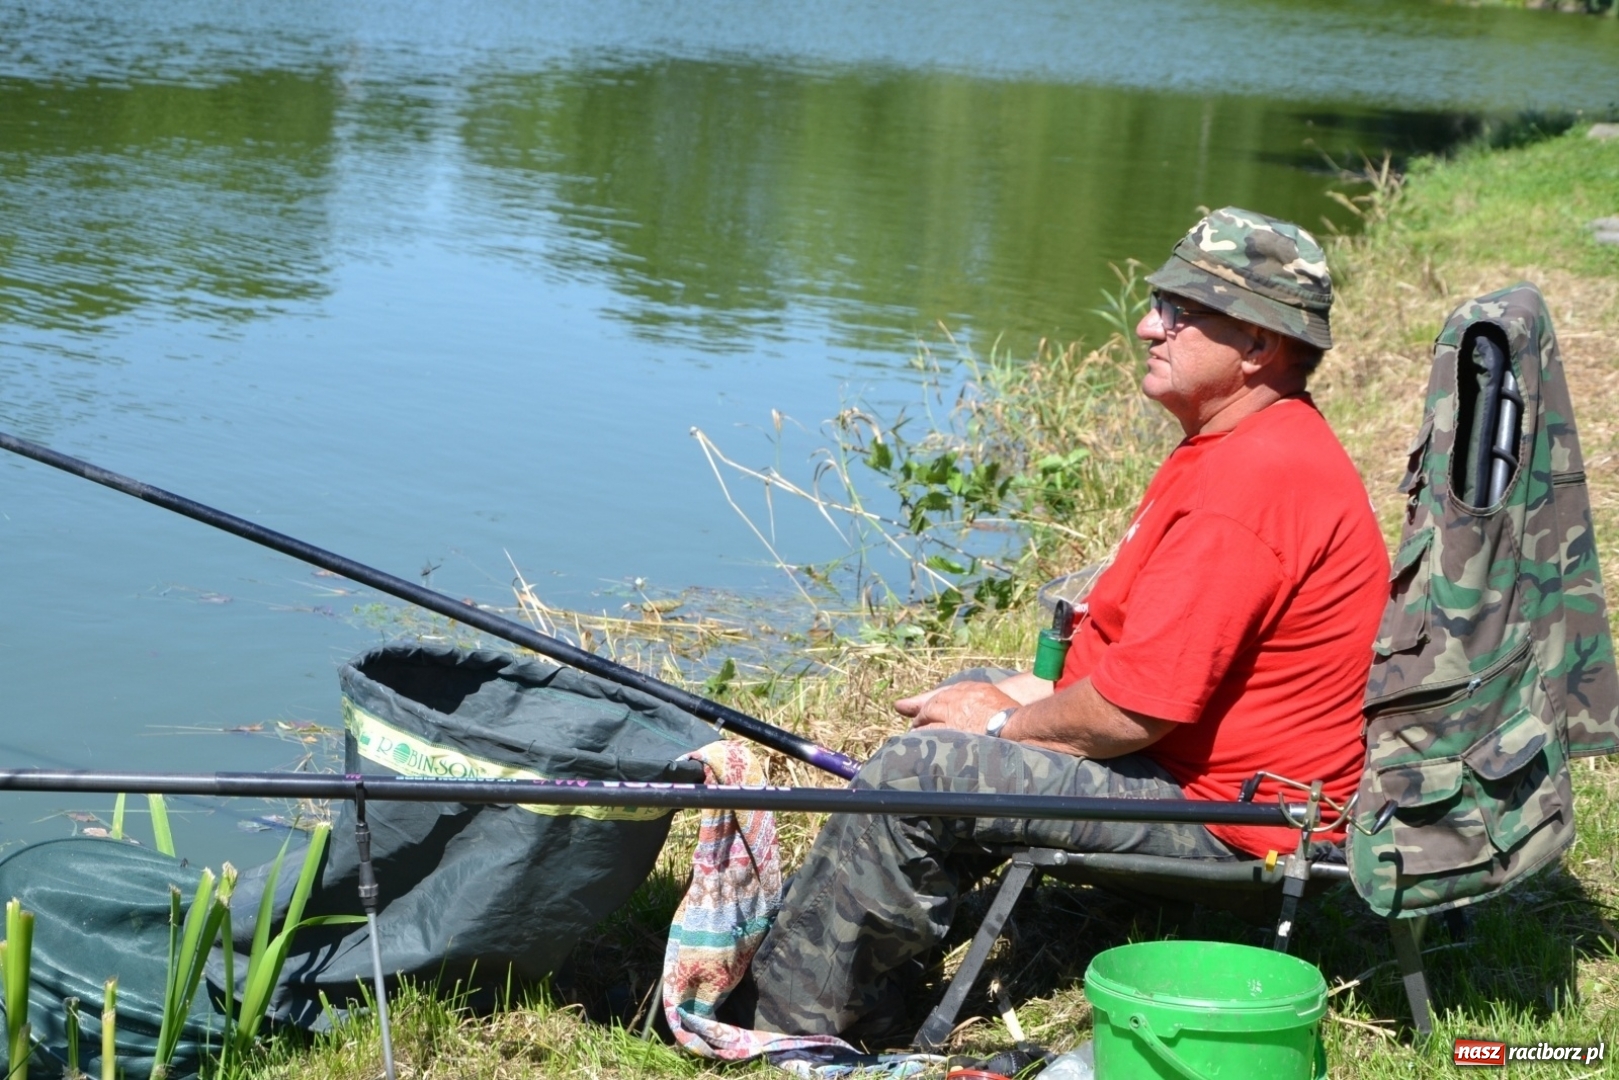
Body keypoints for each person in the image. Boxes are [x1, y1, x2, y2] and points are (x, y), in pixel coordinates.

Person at [742, 207, 1392, 1044]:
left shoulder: (1251, 485)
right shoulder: (1236, 440)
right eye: (1158, 303)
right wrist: (1004, 696)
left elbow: (1133, 712)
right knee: (961, 703)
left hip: (1240, 829)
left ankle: (786, 1023)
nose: (1147, 326)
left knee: (923, 769)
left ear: (1259, 345)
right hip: (1198, 774)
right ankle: (870, 975)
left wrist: (1001, 724)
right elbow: (1131, 662)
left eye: (1181, 313)